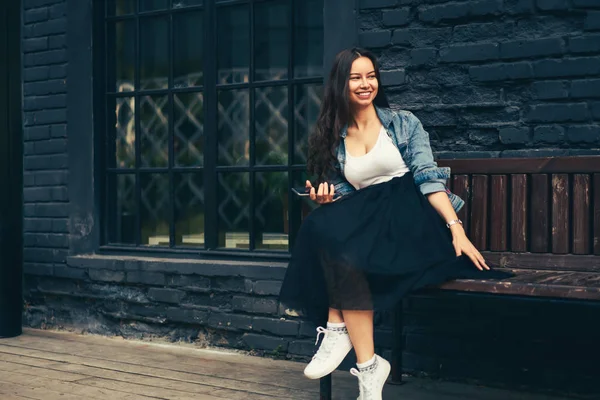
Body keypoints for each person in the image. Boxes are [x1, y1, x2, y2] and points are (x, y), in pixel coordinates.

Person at [278, 47, 512, 400]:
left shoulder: (404, 123)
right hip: (371, 223)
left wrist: (456, 228)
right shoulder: (335, 137)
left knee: (342, 246)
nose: (365, 83)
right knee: (321, 224)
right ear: (341, 84)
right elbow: (348, 191)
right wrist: (326, 197)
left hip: (409, 216)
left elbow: (428, 178)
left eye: (370, 75)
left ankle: (337, 325)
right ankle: (369, 368)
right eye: (356, 77)